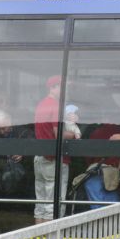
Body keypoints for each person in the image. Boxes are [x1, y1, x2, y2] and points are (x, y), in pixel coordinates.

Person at [33, 75, 77, 221]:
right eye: (63, 87)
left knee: (41, 203)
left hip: (39, 157)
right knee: (54, 204)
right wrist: (74, 135)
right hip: (53, 159)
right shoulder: (56, 105)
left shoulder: (41, 104)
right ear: (53, 88)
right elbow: (58, 134)